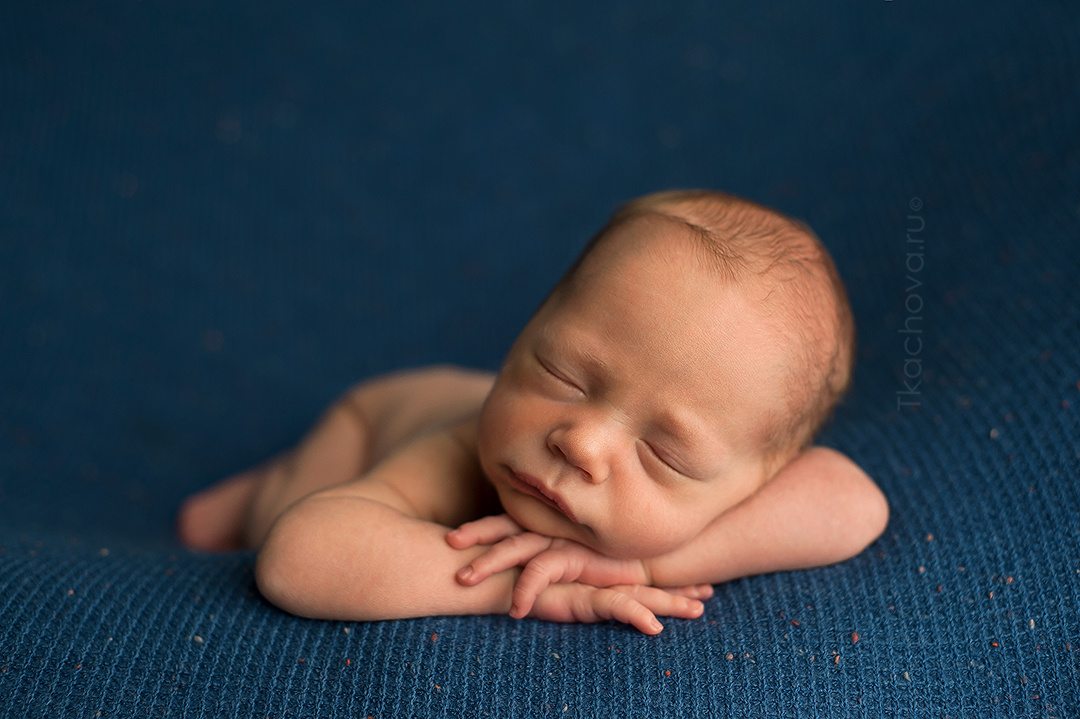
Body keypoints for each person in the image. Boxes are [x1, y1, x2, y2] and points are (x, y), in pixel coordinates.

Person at [177, 189, 889, 634]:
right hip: (373, 420)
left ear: (755, 481)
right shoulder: (460, 453)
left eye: (664, 453)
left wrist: (641, 566)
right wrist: (524, 584)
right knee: (269, 514)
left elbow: (855, 502)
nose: (582, 440)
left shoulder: (749, 486)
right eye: (562, 373)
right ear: (527, 329)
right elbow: (299, 558)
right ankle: (240, 495)